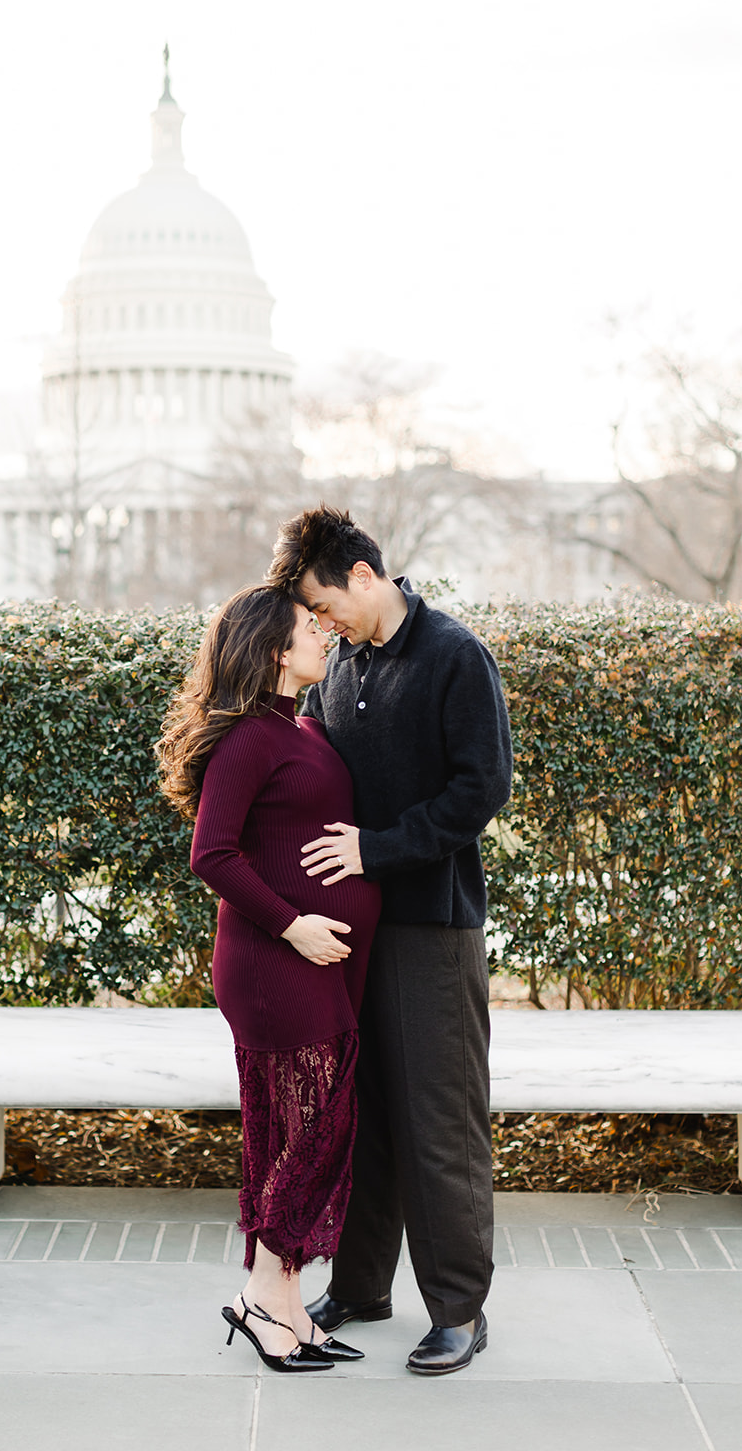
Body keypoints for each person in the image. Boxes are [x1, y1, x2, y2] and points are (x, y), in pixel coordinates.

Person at [265, 505, 513, 1377]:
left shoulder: (453, 656)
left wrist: (378, 847)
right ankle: (364, 1287)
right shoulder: (340, 669)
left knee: (437, 1125)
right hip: (348, 937)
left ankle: (457, 1311)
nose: (319, 623)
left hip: (431, 932)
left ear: (362, 576)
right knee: (360, 1117)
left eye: (322, 604)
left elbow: (479, 790)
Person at [157, 584, 381, 1374]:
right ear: (277, 651)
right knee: (312, 1131)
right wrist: (293, 924)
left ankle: (284, 1307)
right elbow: (211, 854)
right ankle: (262, 1298)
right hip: (270, 964)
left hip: (320, 961)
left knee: (290, 1134)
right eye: (308, 629)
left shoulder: (304, 728)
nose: (324, 636)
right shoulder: (251, 737)